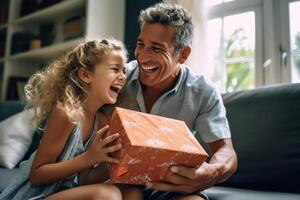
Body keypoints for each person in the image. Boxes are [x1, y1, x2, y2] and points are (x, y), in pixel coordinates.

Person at [100, 3, 238, 200]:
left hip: (170, 188)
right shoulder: (118, 79)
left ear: (183, 54)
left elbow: (226, 150)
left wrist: (211, 172)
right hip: (117, 184)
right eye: (141, 44)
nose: (143, 56)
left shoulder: (203, 92)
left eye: (156, 49)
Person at [0, 39, 143, 200]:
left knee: (132, 191)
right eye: (115, 69)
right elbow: (37, 175)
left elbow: (85, 179)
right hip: (35, 195)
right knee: (108, 194)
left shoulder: (102, 120)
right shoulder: (67, 113)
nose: (123, 77)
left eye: (124, 71)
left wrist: (114, 159)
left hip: (65, 192)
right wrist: (89, 157)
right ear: (86, 75)